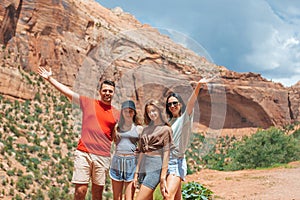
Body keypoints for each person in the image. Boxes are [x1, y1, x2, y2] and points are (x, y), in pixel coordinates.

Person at [37, 67, 119, 200]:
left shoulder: (116, 113)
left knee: (98, 193)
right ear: (100, 92)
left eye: (110, 91)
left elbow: (116, 135)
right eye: (105, 90)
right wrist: (50, 79)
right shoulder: (89, 103)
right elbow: (68, 92)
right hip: (83, 153)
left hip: (102, 156)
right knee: (80, 191)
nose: (107, 93)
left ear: (114, 93)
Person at [164, 78, 210, 200]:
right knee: (176, 197)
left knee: (167, 196)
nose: (172, 106)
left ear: (180, 104)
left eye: (175, 103)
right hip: (165, 162)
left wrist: (198, 86)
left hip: (176, 162)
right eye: (169, 104)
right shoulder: (168, 122)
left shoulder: (185, 117)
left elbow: (191, 102)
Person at [133, 100, 174, 200]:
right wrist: (136, 173)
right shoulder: (145, 130)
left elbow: (166, 154)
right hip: (144, 165)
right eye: (149, 112)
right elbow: (142, 152)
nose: (152, 114)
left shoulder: (166, 129)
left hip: (156, 165)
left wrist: (163, 177)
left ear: (159, 111)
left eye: (154, 110)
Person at [109, 100, 143, 200]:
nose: (128, 113)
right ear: (122, 112)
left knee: (129, 197)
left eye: (131, 111)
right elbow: (114, 142)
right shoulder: (117, 127)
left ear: (134, 113)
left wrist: (137, 171)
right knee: (117, 197)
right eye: (125, 111)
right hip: (117, 161)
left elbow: (142, 150)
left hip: (131, 162)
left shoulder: (139, 128)